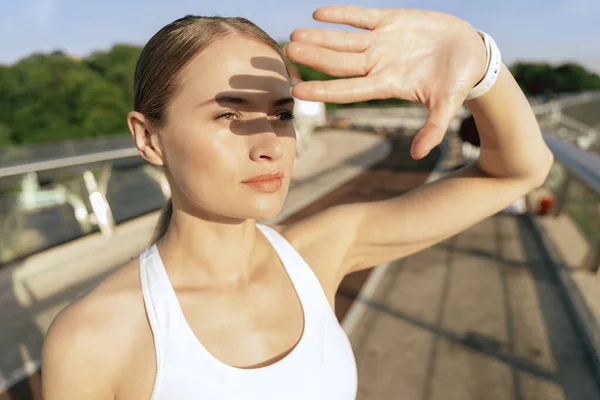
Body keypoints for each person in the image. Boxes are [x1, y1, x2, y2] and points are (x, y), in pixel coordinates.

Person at [41, 5, 554, 399]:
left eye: (281, 113)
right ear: (149, 138)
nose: (269, 142)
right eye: (228, 116)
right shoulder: (91, 340)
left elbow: (519, 171)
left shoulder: (318, 253)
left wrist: (483, 64)